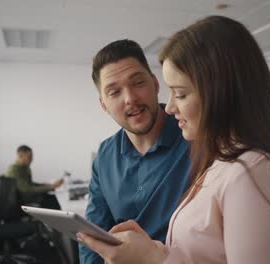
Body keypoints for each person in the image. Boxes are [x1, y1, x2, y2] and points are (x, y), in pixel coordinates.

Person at [78, 15, 270, 264]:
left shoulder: (251, 170)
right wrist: (155, 250)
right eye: (115, 92)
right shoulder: (221, 163)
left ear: (218, 92)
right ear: (103, 104)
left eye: (180, 94)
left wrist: (151, 259)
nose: (170, 107)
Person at [79, 39, 191, 263]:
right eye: (115, 92)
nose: (130, 98)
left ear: (155, 84)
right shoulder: (105, 156)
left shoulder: (193, 138)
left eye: (138, 83)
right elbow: (92, 237)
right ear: (104, 105)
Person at [5, 145, 64, 210]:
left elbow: (30, 184)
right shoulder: (14, 170)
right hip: (20, 200)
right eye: (29, 157)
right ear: (20, 156)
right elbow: (27, 189)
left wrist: (48, 185)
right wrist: (50, 187)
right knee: (49, 199)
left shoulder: (25, 168)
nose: (31, 159)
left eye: (31, 157)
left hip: (26, 196)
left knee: (50, 196)